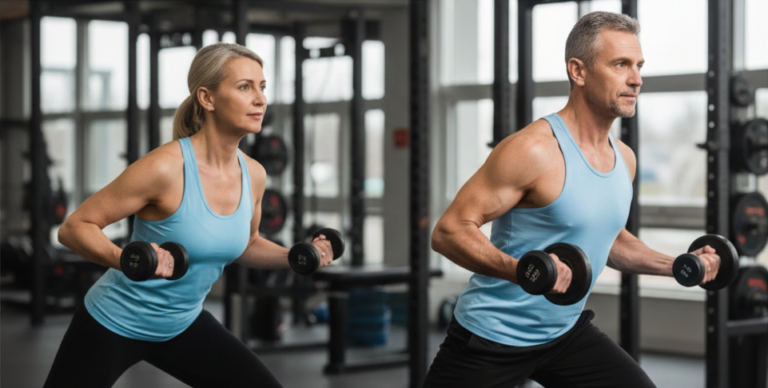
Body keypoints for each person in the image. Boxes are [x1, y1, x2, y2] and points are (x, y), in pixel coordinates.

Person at [423, 11, 720, 388]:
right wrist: (523, 271)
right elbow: (448, 231)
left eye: (639, 66)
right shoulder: (533, 150)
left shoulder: (623, 158)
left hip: (563, 333)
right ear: (578, 72)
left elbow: (609, 238)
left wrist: (679, 264)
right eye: (620, 65)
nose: (636, 79)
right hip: (491, 336)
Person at [44, 42, 333, 388]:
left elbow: (247, 243)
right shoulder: (165, 168)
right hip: (114, 320)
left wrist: (296, 256)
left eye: (262, 87)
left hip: (182, 324)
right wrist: (126, 260)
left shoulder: (254, 174)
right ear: (207, 99)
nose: (260, 99)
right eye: (244, 87)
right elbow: (75, 227)